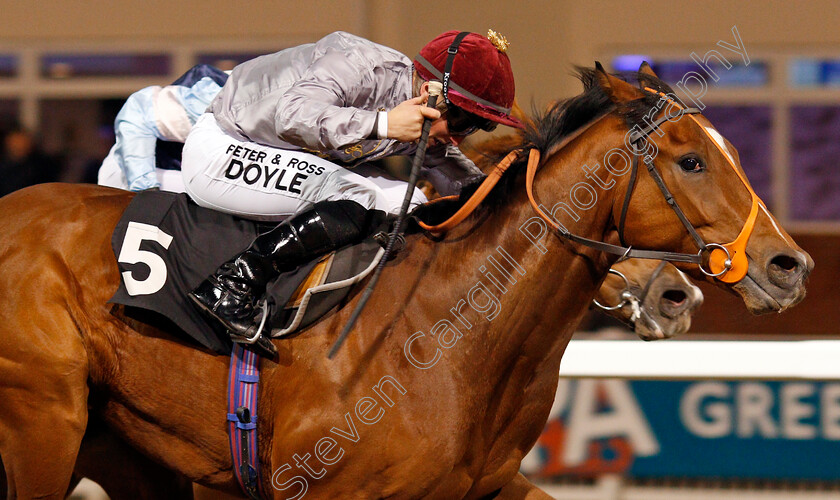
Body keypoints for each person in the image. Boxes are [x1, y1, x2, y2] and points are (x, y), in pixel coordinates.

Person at [184, 29, 522, 339]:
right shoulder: (359, 64)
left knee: (412, 201)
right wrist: (383, 123)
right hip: (224, 146)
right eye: (464, 124)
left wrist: (508, 206)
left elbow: (455, 177)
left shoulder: (420, 111)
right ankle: (233, 284)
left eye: (475, 129)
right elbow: (291, 116)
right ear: (428, 94)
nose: (460, 140)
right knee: (357, 196)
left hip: (268, 152)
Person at [97, 64, 229, 192]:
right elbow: (138, 111)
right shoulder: (214, 93)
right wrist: (146, 188)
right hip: (132, 168)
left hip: (175, 166)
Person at [0, 125, 61, 198]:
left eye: (21, 141)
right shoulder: (3, 167)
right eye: (15, 142)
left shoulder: (42, 166)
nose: (18, 145)